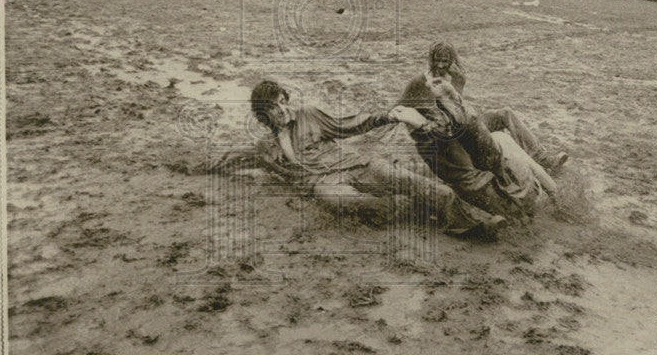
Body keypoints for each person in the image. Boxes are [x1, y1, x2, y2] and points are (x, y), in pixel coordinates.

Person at [212, 81, 507, 239]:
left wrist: (385, 116)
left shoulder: (310, 114)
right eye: (275, 108)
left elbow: (349, 124)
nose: (283, 109)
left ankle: (477, 223)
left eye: (283, 101)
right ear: (265, 116)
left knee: (405, 179)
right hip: (323, 183)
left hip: (356, 165)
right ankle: (406, 208)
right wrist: (205, 166)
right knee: (342, 201)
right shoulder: (267, 147)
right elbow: (237, 157)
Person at [395, 73, 556, 221]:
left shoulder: (444, 145)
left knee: (464, 181)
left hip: (501, 202)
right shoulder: (499, 139)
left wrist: (421, 125)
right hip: (529, 194)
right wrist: (555, 196)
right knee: (483, 159)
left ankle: (490, 221)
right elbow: (540, 174)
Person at [417, 41, 567, 173]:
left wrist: (456, 82)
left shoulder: (456, 75)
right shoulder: (426, 79)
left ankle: (540, 157)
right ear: (432, 59)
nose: (441, 65)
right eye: (438, 61)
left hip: (467, 120)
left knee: (505, 113)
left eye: (445, 61)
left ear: (452, 60)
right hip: (452, 130)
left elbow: (458, 103)